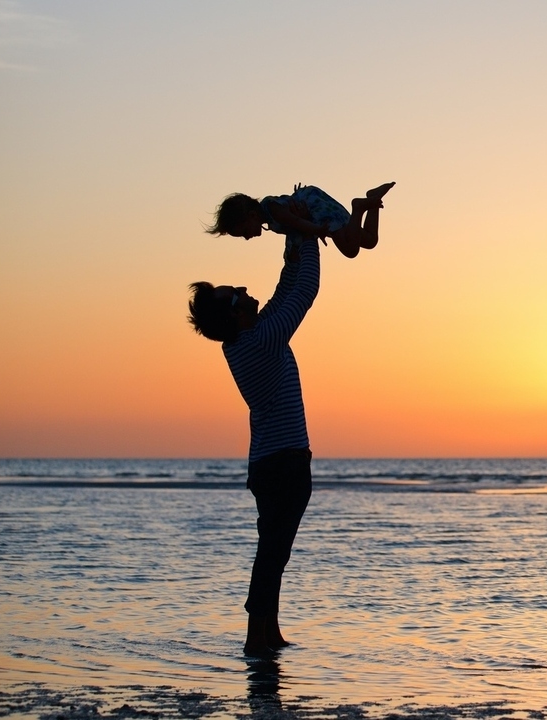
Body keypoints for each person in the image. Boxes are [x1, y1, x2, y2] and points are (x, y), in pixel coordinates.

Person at [188, 213, 322, 656]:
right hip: (283, 462)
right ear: (235, 314)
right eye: (237, 294)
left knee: (275, 550)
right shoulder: (260, 342)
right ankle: (254, 637)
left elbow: (285, 292)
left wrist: (293, 245)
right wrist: (308, 233)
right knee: (274, 552)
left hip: (271, 462)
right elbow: (303, 293)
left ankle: (270, 631)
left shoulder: (247, 339)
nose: (245, 290)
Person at [207, 182, 395, 258]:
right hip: (315, 210)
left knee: (350, 250)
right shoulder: (270, 219)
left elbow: (296, 223)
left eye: (244, 232)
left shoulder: (272, 209)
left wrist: (317, 230)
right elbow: (292, 230)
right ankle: (372, 199)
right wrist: (290, 253)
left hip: (318, 210)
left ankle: (359, 207)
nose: (247, 237)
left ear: (251, 216)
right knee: (370, 241)